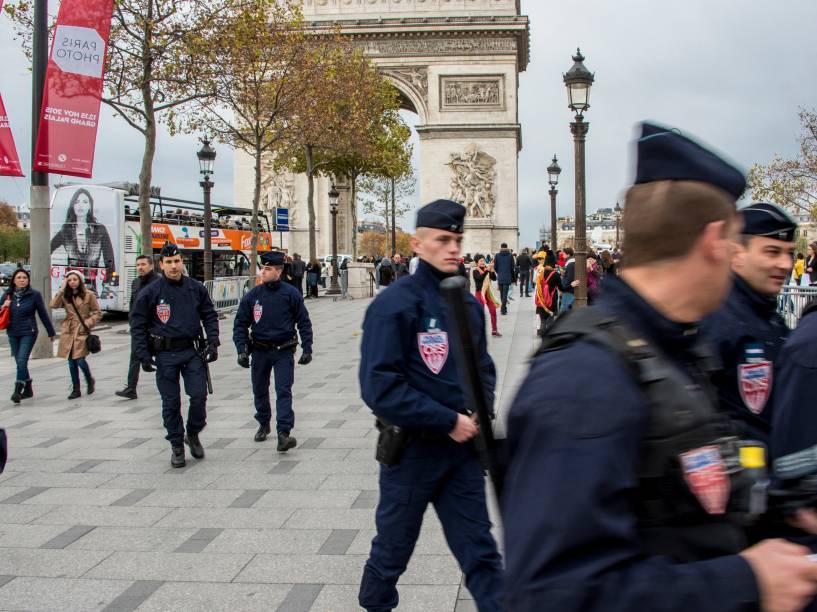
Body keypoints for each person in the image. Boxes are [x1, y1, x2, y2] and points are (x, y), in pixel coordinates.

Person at [503, 121, 817, 611]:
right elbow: (555, 593)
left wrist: (781, 508)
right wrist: (747, 581)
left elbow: (687, 495)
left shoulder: (671, 346)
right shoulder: (585, 381)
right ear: (715, 242)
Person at [358, 199, 502, 612]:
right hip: (412, 454)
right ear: (418, 244)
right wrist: (446, 419)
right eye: (443, 240)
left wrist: (481, 409)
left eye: (457, 239)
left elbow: (483, 369)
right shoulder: (393, 305)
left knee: (481, 554)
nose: (453, 248)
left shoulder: (469, 305)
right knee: (391, 552)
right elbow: (379, 387)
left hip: (461, 456)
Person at [702, 202, 796, 446]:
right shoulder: (715, 318)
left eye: (790, 253)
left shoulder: (769, 316)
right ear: (736, 254)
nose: (785, 264)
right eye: (772, 252)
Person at [130, 243, 219, 468]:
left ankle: (193, 432)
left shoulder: (196, 288)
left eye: (177, 261)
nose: (174, 266)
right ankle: (177, 445)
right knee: (171, 402)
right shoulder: (150, 292)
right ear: (161, 265)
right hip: (164, 353)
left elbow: (209, 315)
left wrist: (213, 341)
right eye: (169, 262)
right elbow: (138, 324)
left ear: (182, 262)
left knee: (198, 396)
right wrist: (143, 354)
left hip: (191, 351)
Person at [233, 251, 313, 451]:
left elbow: (304, 321)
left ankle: (283, 432)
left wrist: (307, 348)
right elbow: (240, 323)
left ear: (278, 271)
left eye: (267, 269)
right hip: (259, 350)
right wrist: (241, 349)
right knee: (259, 389)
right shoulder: (253, 296)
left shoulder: (291, 294)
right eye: (263, 268)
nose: (263, 272)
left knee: (283, 390)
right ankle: (263, 422)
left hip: (283, 350)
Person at [2, 268, 55, 403]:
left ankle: (17, 389)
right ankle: (29, 388)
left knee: (21, 361)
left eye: (24, 278)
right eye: (19, 278)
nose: (22, 280)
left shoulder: (34, 295)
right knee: (19, 363)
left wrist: (51, 332)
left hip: (29, 332)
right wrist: (3, 305)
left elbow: (43, 313)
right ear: (14, 280)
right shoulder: (8, 295)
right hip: (12, 332)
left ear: (28, 280)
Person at [50, 270, 101, 400]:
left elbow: (97, 313)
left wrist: (87, 323)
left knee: (80, 359)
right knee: (71, 361)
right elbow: (53, 305)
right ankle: (76, 388)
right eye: (70, 280)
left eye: (75, 279)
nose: (72, 282)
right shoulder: (65, 295)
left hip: (82, 329)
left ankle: (89, 379)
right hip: (68, 330)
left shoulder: (89, 295)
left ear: (80, 281)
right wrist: (61, 290)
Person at [115, 255, 158, 400]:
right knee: (134, 356)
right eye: (138, 265)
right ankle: (131, 388)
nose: (140, 267)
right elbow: (133, 304)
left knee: (162, 356)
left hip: (155, 328)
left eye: (143, 264)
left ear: (151, 266)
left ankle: (165, 383)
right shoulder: (135, 282)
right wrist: (132, 321)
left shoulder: (159, 282)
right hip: (139, 328)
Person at [49, 188, 115, 278]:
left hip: (92, 287)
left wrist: (108, 282)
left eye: (85, 202)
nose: (80, 206)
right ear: (73, 205)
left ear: (90, 206)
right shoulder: (66, 231)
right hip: (71, 285)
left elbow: (109, 258)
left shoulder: (100, 230)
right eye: (77, 202)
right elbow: (48, 249)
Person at [532, 251, 564, 336]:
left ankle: (542, 331)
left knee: (542, 319)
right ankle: (549, 335)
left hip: (541, 298)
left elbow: (534, 281)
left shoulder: (540, 271)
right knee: (550, 318)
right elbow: (561, 288)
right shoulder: (556, 274)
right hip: (552, 299)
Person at [472, 257, 500, 337]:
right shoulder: (475, 271)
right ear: (477, 263)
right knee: (480, 312)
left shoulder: (487, 269)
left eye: (483, 261)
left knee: (493, 310)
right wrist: (487, 270)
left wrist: (491, 270)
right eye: (481, 261)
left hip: (488, 293)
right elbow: (480, 279)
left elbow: (494, 278)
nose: (483, 262)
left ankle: (494, 330)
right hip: (480, 293)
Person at [493, 243, 514, 315]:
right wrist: (513, 278)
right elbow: (512, 268)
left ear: (501, 247)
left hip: (500, 277)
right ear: (507, 247)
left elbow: (495, 267)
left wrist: (499, 272)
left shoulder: (497, 256)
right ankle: (503, 309)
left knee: (502, 294)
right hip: (507, 277)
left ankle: (503, 308)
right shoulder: (510, 256)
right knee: (505, 294)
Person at [559, 247, 576, 313]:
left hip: (568, 290)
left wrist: (562, 288)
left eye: (564, 254)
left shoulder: (570, 264)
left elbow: (569, 279)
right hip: (569, 289)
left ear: (568, 254)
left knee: (563, 310)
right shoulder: (570, 263)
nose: (563, 255)